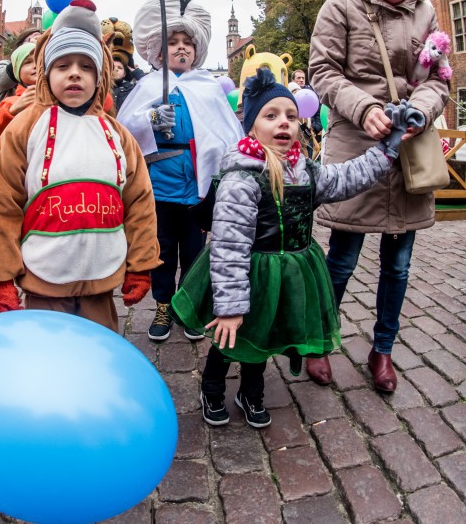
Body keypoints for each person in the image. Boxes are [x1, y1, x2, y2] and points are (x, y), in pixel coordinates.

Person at [172, 69, 406, 427]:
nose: (283, 123)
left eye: (291, 116)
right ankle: (213, 385)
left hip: (287, 273)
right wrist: (231, 306)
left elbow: (346, 178)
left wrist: (387, 149)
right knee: (231, 334)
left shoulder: (304, 169)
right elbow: (229, 245)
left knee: (262, 335)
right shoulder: (242, 177)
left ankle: (250, 391)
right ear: (251, 126)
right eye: (271, 115)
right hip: (249, 271)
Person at [308, 0, 449, 393]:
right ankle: (319, 340)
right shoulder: (340, 3)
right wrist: (364, 107)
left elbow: (438, 79)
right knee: (342, 259)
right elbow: (322, 71)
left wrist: (421, 113)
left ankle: (382, 350)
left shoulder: (424, 11)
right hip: (356, 147)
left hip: (408, 151)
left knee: (399, 264)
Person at [0, 0, 160, 331]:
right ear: (47, 73)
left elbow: (139, 203)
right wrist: (1, 275)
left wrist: (141, 263)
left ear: (99, 75)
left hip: (102, 276)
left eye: (85, 66)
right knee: (51, 361)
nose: (75, 72)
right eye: (63, 65)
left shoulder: (117, 134)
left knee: (100, 356)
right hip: (44, 277)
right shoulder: (24, 128)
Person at [118, 0, 244, 342]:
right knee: (160, 250)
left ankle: (189, 306)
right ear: (160, 51)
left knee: (193, 251)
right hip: (158, 187)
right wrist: (151, 119)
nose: (182, 48)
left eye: (187, 42)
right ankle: (163, 305)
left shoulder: (208, 87)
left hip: (197, 187)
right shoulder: (147, 86)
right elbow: (124, 130)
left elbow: (227, 133)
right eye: (173, 42)